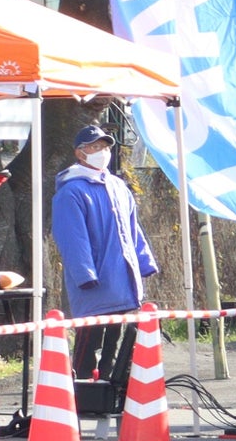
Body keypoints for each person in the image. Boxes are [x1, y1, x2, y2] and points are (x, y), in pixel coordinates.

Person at [52, 123, 159, 386]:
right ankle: (82, 390)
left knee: (116, 343)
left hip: (123, 280)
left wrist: (144, 263)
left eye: (104, 147)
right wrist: (85, 275)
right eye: (95, 147)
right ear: (80, 153)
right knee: (89, 340)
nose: (102, 152)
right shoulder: (71, 191)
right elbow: (73, 239)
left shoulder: (118, 187)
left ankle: (111, 389)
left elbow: (133, 230)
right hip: (95, 284)